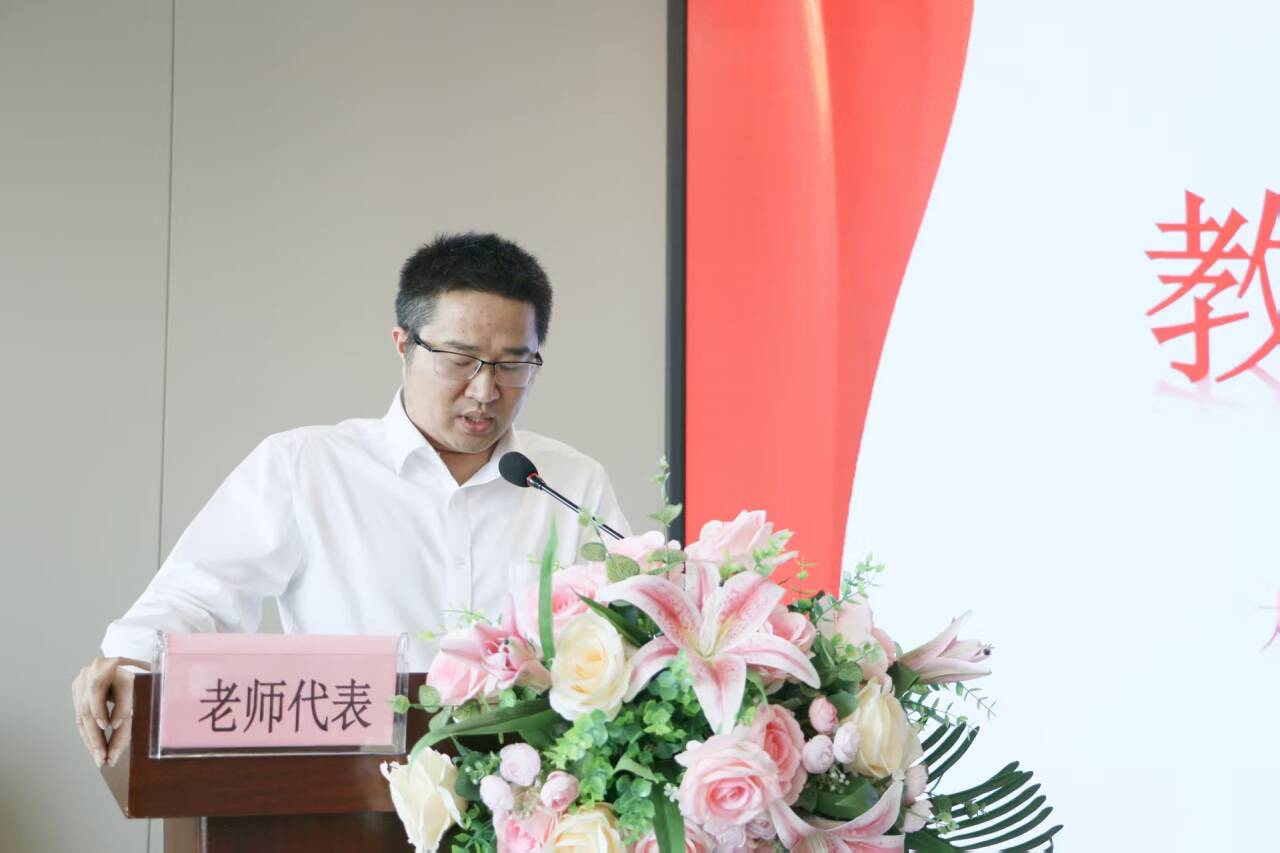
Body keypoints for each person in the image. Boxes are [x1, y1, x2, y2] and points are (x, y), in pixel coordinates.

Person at [70, 232, 629, 768]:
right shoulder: (305, 467)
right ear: (403, 345)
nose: (486, 390)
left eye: (513, 365)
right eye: (459, 360)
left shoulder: (570, 483)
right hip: (347, 785)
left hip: (533, 794)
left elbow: (632, 629)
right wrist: (131, 661)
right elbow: (197, 596)